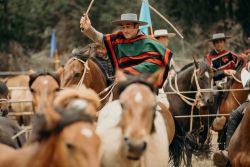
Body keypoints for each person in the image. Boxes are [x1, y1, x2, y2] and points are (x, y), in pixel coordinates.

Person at [80, 13, 173, 86]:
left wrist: (126, 72)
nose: (125, 30)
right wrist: (88, 28)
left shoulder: (149, 43)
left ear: (136, 26)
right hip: (122, 84)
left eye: (128, 27)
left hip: (144, 84)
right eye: (123, 27)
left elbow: (153, 65)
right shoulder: (118, 38)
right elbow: (99, 38)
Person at [213, 37, 250, 166]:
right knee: (234, 114)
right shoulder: (210, 57)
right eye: (217, 42)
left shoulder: (232, 55)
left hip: (232, 80)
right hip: (222, 83)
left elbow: (240, 61)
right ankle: (228, 151)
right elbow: (245, 78)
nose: (219, 44)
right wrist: (225, 72)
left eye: (221, 41)